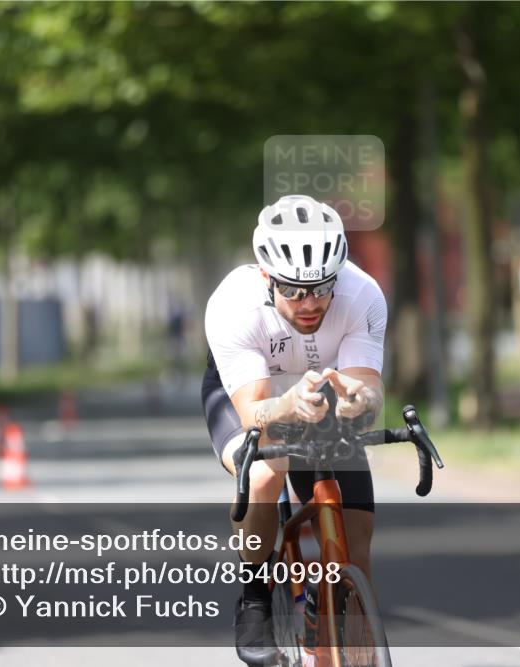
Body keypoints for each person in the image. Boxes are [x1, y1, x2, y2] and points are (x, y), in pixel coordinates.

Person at [202, 195, 387, 665]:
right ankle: (255, 595)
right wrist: (286, 404)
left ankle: (344, 637)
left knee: (355, 549)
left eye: (323, 288)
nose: (310, 303)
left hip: (316, 390)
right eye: (293, 291)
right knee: (266, 472)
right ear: (267, 277)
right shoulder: (233, 305)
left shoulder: (362, 295)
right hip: (253, 393)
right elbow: (252, 412)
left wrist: (358, 402)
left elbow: (369, 393)